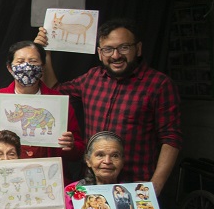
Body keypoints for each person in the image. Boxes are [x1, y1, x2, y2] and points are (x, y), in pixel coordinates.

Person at [42, 19, 181, 193]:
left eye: (124, 47)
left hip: (136, 187)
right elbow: (55, 92)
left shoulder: (159, 85)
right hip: (92, 184)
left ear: (137, 49)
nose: (116, 55)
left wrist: (155, 186)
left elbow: (171, 139)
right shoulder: (92, 78)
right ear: (100, 53)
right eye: (108, 49)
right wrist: (46, 54)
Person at [0, 40, 84, 171]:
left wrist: (70, 146)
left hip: (48, 175)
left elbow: (78, 151)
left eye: (33, 61)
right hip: (6, 176)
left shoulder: (57, 102)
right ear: (9, 67)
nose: (27, 66)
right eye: (20, 62)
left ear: (43, 67)